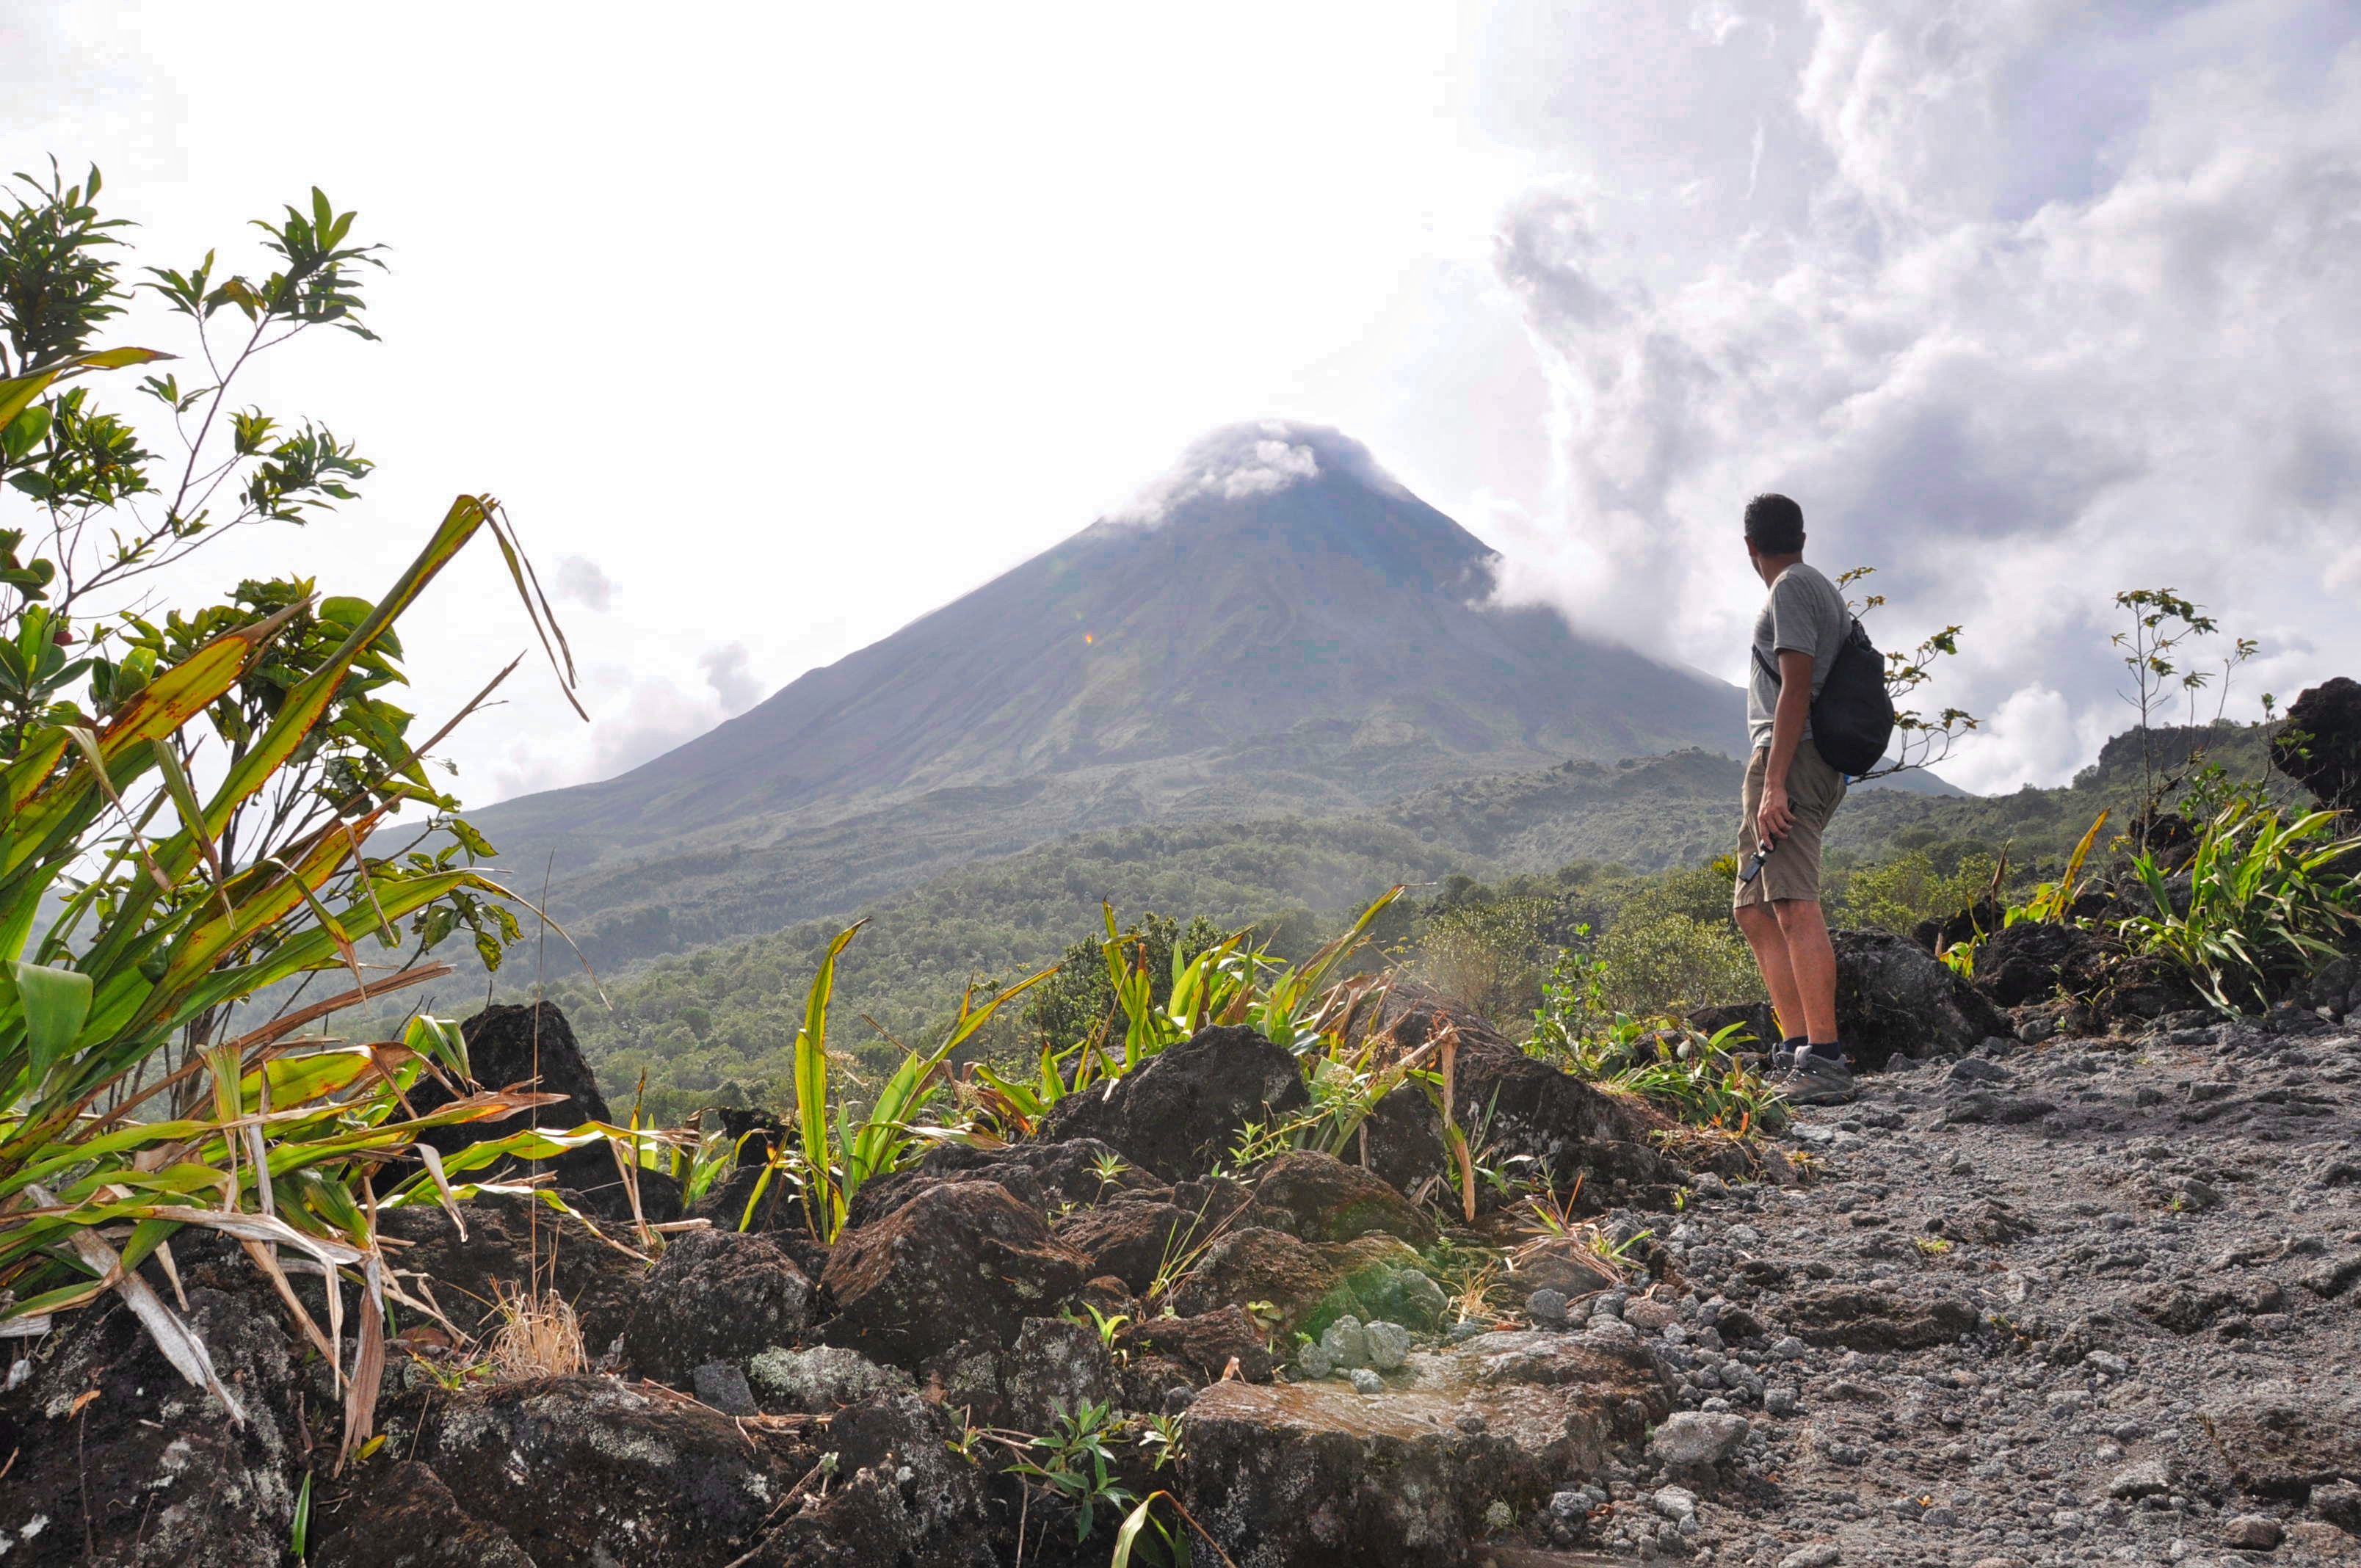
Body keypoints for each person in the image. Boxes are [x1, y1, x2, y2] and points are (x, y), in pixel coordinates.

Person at [1731, 493, 1854, 1104]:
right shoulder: (1815, 585)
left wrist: (1775, 781)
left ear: (1748, 546)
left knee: (1793, 903)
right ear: (1801, 534)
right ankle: (1796, 1047)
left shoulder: (1792, 589)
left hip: (1794, 758)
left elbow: (1797, 686)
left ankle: (1825, 1058)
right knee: (1755, 907)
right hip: (1792, 757)